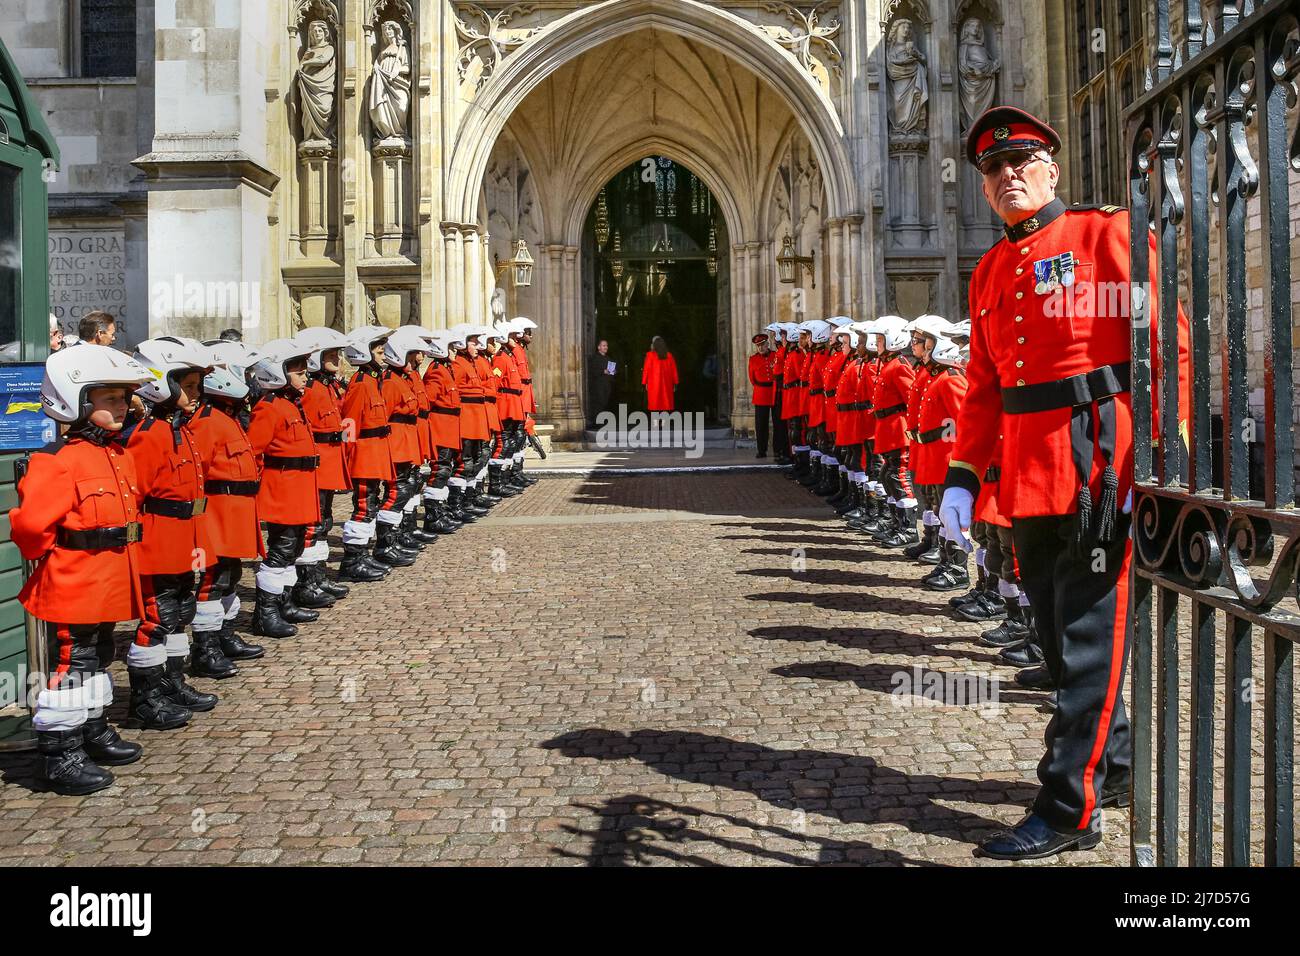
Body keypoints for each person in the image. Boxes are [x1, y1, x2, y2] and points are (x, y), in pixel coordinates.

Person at [941, 105, 1190, 860]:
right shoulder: (989, 270)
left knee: (1086, 645)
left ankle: (1069, 808)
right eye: (993, 168)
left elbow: (1166, 346)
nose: (1007, 175)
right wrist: (960, 474)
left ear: (1051, 168)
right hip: (1024, 472)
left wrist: (1154, 458)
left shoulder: (1102, 233)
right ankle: (1111, 770)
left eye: (1020, 162)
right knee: (1055, 641)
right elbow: (983, 385)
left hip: (1094, 467)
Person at [10, 345, 154, 794]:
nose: (123, 405)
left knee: (100, 653)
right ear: (79, 400)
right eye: (111, 398)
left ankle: (91, 731)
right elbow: (32, 526)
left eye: (124, 397)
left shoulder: (116, 453)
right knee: (73, 662)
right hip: (73, 577)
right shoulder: (59, 458)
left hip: (108, 576)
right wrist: (59, 558)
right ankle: (58, 754)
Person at [126, 336, 220, 729]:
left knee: (181, 611)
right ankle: (145, 698)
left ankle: (172, 681)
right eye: (191, 386)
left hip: (184, 533)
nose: (197, 394)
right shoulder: (150, 433)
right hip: (159, 537)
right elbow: (137, 493)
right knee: (158, 616)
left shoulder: (176, 428)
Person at [187, 342, 268, 667]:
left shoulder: (227, 416)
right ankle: (205, 648)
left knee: (230, 575)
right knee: (213, 578)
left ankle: (225, 634)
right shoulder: (207, 420)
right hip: (217, 513)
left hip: (235, 510)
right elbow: (198, 474)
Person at [247, 339, 325, 637]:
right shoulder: (269, 407)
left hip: (300, 485)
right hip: (282, 487)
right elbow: (255, 449)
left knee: (293, 547)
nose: (305, 376)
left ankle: (285, 602)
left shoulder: (291, 403)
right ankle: (265, 613)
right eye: (298, 371)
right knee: (280, 549)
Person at [296, 327, 363, 591]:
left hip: (330, 459)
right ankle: (307, 581)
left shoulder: (328, 386)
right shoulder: (311, 390)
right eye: (331, 355)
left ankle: (319, 575)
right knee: (314, 524)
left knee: (325, 520)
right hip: (318, 462)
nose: (338, 360)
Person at [339, 326, 402, 575]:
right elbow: (349, 425)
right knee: (364, 506)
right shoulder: (361, 384)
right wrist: (347, 460)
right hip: (364, 456)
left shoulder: (372, 381)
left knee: (371, 505)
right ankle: (353, 561)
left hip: (375, 453)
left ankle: (362, 555)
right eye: (378, 351)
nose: (383, 356)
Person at [747, 333, 776, 458]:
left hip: (774, 392)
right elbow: (752, 378)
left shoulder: (775, 356)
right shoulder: (753, 359)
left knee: (778, 423)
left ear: (767, 344)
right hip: (760, 393)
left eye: (762, 345)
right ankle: (761, 450)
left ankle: (778, 449)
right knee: (761, 424)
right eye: (758, 346)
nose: (760, 348)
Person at [641, 336, 678, 413]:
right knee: (665, 404)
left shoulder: (650, 355)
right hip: (667, 383)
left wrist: (644, 382)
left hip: (653, 383)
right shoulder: (669, 355)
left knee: (654, 404)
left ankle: (656, 423)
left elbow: (646, 370)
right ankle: (664, 423)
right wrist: (675, 383)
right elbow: (674, 370)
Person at [588, 339, 616, 429]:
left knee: (605, 402)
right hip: (597, 384)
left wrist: (613, 372)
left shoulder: (609, 359)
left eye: (606, 346)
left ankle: (601, 421)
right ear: (599, 347)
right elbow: (591, 370)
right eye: (604, 346)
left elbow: (612, 373)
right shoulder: (594, 358)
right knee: (598, 403)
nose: (606, 347)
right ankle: (597, 423)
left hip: (606, 384)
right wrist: (603, 371)